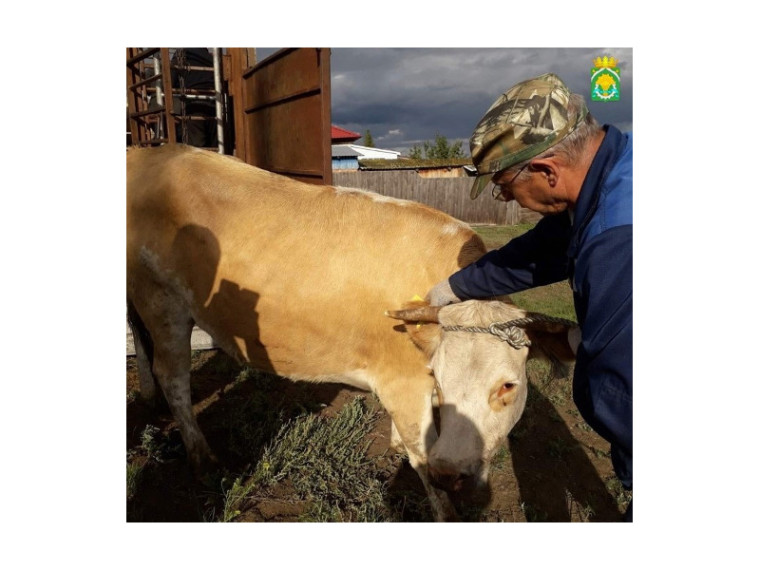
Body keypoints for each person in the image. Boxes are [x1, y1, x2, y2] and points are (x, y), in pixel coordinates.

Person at [426, 73, 632, 521]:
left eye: (504, 188)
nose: (509, 202)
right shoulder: (613, 176)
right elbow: (541, 251)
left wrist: (572, 347)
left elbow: (623, 390)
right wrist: (453, 288)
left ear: (547, 170)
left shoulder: (619, 240)